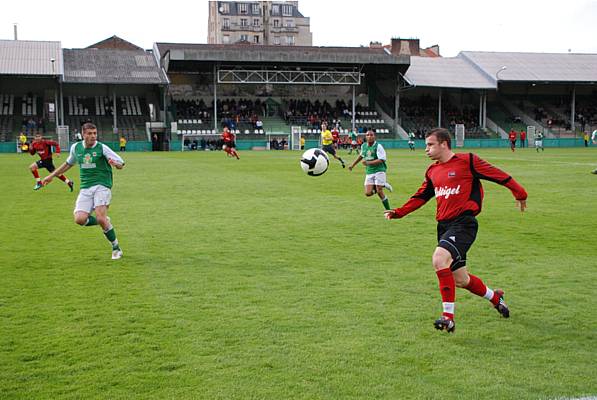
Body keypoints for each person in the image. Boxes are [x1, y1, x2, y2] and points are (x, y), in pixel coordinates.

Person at [384, 128, 527, 333]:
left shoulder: (467, 161)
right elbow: (421, 196)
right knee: (461, 279)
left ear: (444, 144)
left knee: (439, 259)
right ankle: (496, 298)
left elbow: (498, 175)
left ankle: (448, 318)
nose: (426, 149)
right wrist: (399, 212)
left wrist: (519, 192)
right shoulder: (432, 171)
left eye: (430, 144)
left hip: (464, 223)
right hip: (444, 226)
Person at [42, 122, 125, 260]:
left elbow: (121, 163)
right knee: (80, 219)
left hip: (102, 185)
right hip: (86, 187)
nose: (93, 136)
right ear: (83, 134)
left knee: (100, 217)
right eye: (89, 133)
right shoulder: (76, 148)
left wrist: (116, 164)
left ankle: (116, 248)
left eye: (95, 133)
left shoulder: (102, 148)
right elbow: (68, 163)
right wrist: (51, 176)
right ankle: (103, 220)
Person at [348, 129, 393, 210]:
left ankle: (388, 210)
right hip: (369, 171)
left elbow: (382, 159)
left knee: (379, 192)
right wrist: (352, 165)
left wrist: (368, 163)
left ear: (374, 137)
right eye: (368, 135)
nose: (369, 136)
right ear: (365, 137)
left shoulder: (378, 146)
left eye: (371, 135)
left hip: (379, 170)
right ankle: (383, 184)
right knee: (368, 193)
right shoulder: (363, 146)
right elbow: (361, 156)